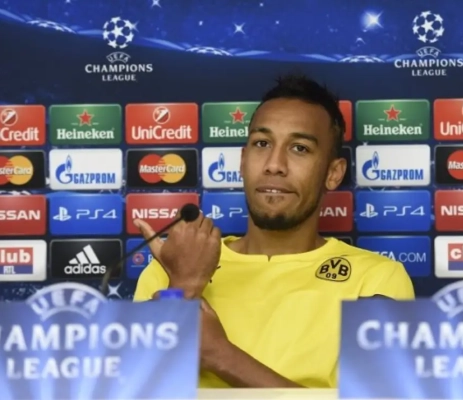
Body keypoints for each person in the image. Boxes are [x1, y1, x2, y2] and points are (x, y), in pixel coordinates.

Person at [133, 74, 415, 388]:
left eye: (300, 148)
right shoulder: (173, 268)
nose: (274, 164)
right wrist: (183, 288)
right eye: (262, 144)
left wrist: (221, 356)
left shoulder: (375, 279)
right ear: (243, 161)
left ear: (333, 173)